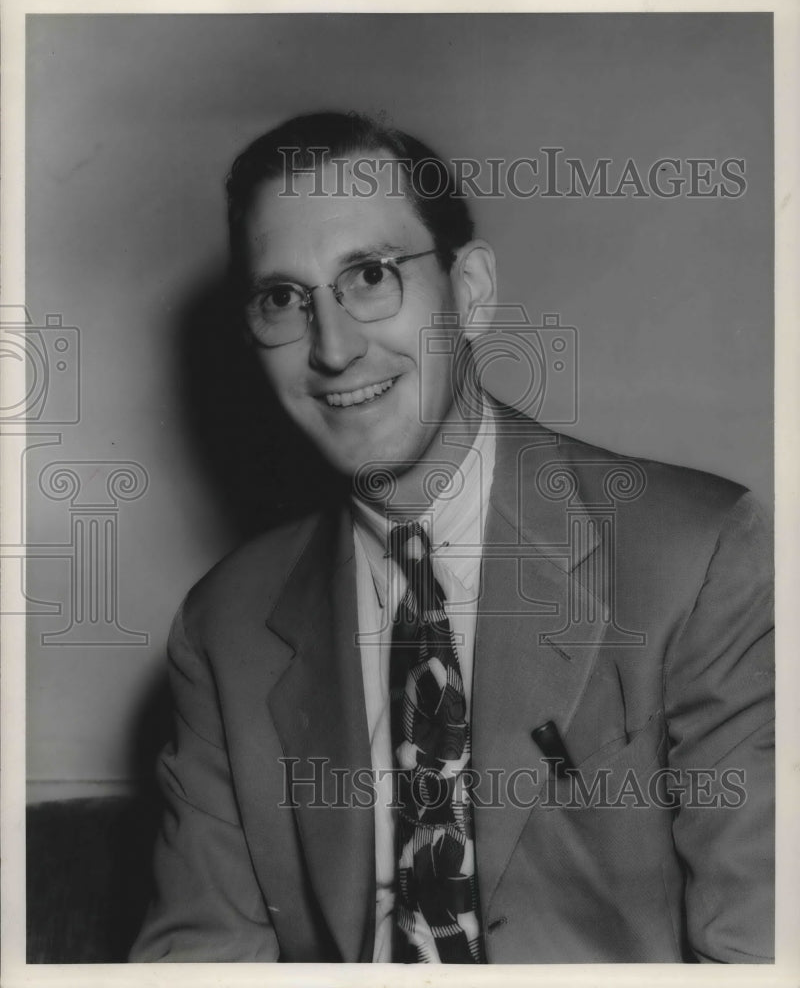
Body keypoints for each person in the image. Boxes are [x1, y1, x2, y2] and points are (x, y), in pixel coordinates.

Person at [129, 111, 774, 964]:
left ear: (468, 294)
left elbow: (762, 952)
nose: (332, 348)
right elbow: (201, 960)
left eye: (369, 276)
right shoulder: (225, 628)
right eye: (284, 298)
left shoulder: (699, 555)